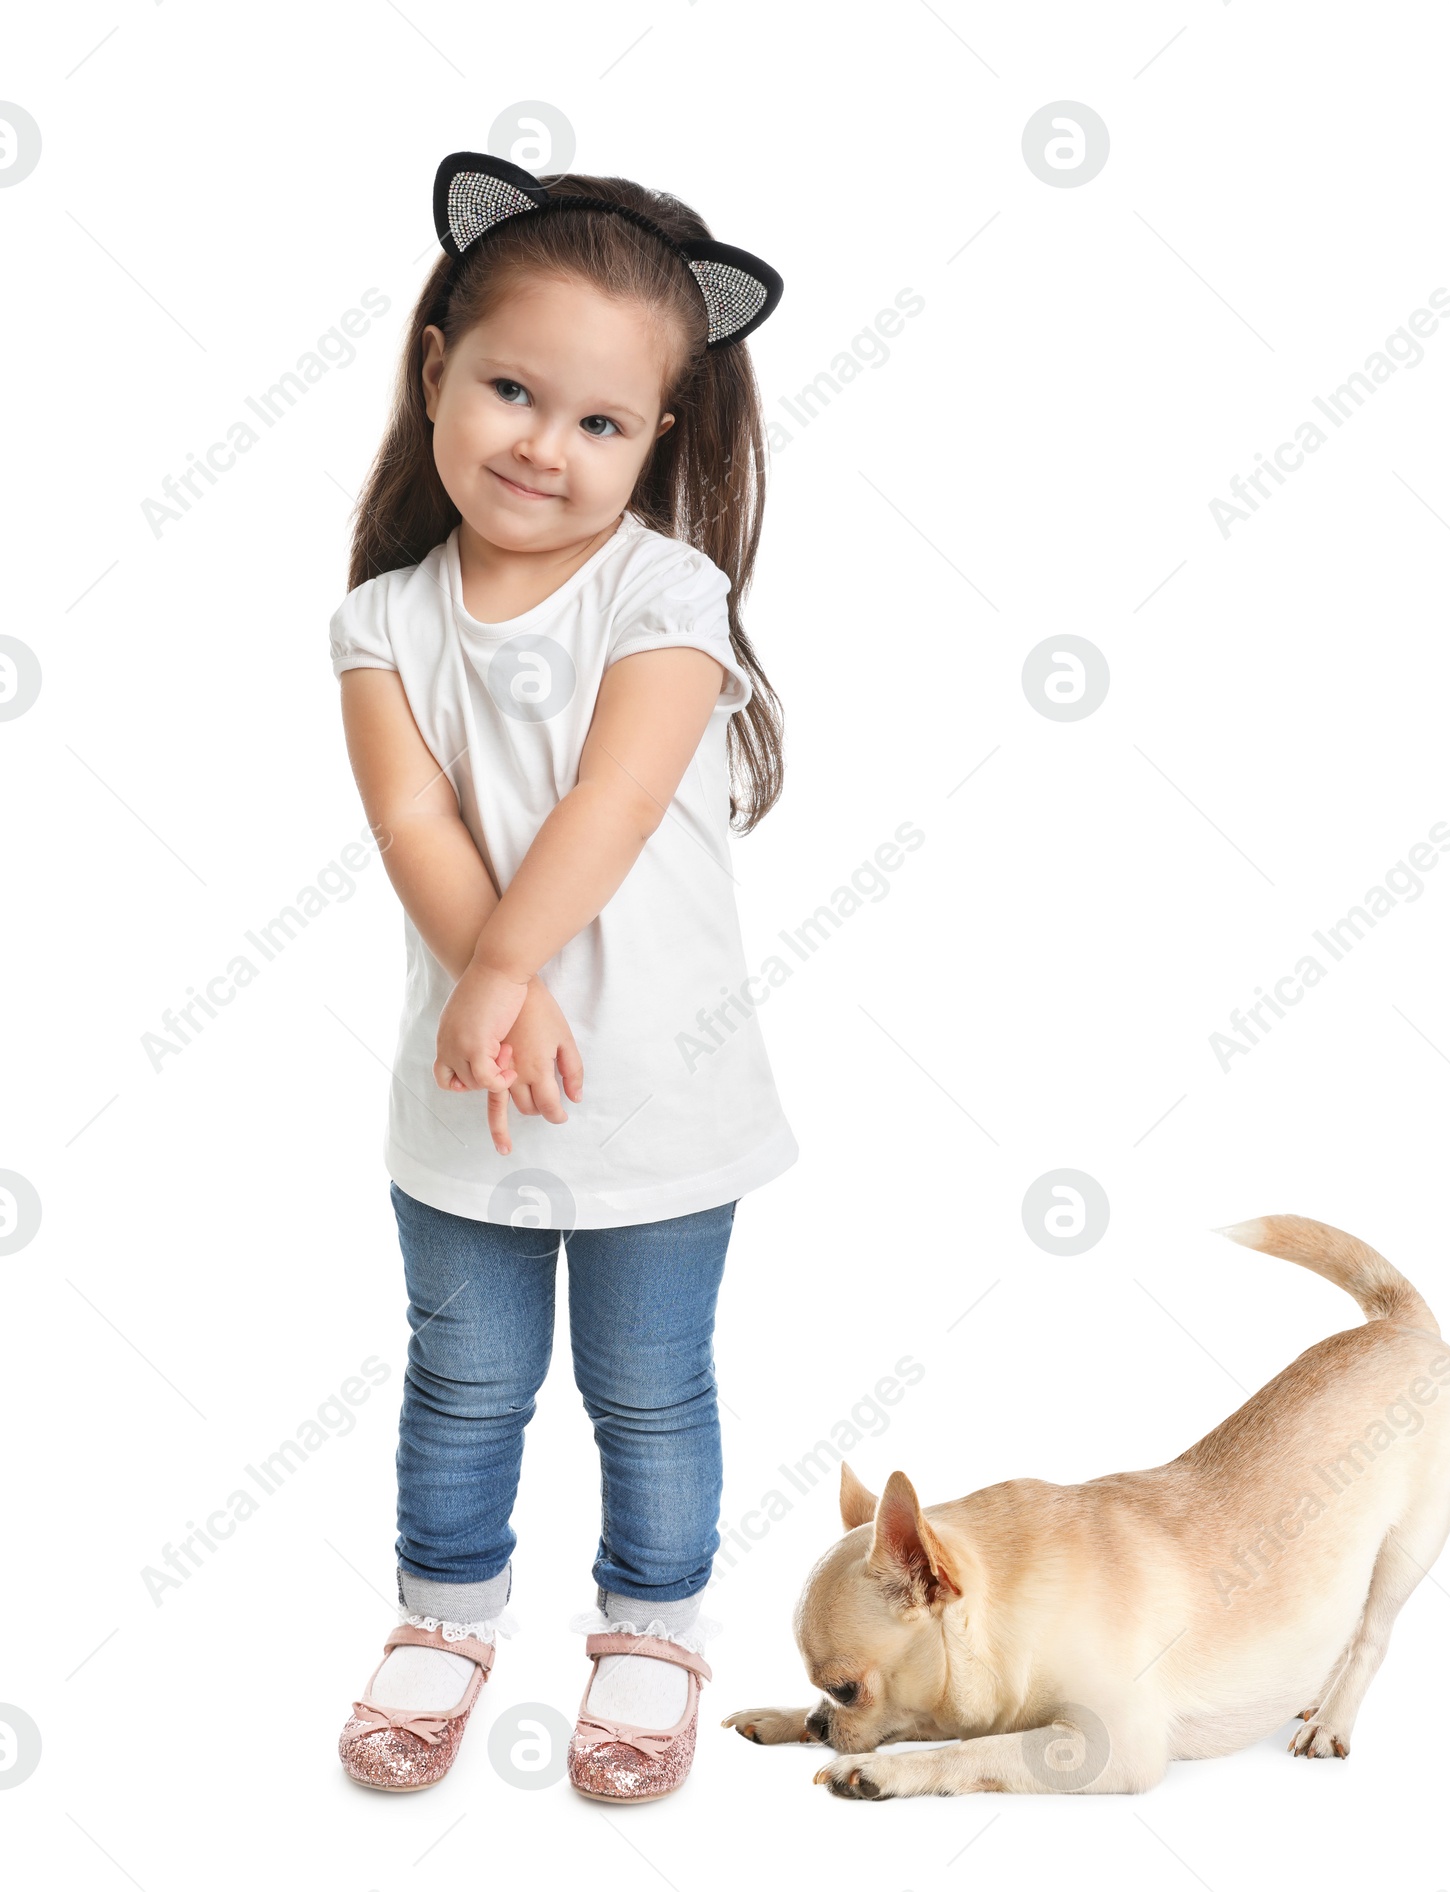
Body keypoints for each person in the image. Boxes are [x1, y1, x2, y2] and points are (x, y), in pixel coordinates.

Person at [327, 152, 796, 1802]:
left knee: (649, 1388)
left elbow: (611, 801)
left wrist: (511, 969)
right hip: (467, 1088)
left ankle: (651, 1630)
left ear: (658, 439)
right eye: (514, 390)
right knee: (463, 1375)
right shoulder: (385, 621)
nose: (545, 444)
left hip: (656, 1091)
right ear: (437, 362)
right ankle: (443, 1616)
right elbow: (411, 813)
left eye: (601, 422)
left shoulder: (668, 594)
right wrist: (491, 992)